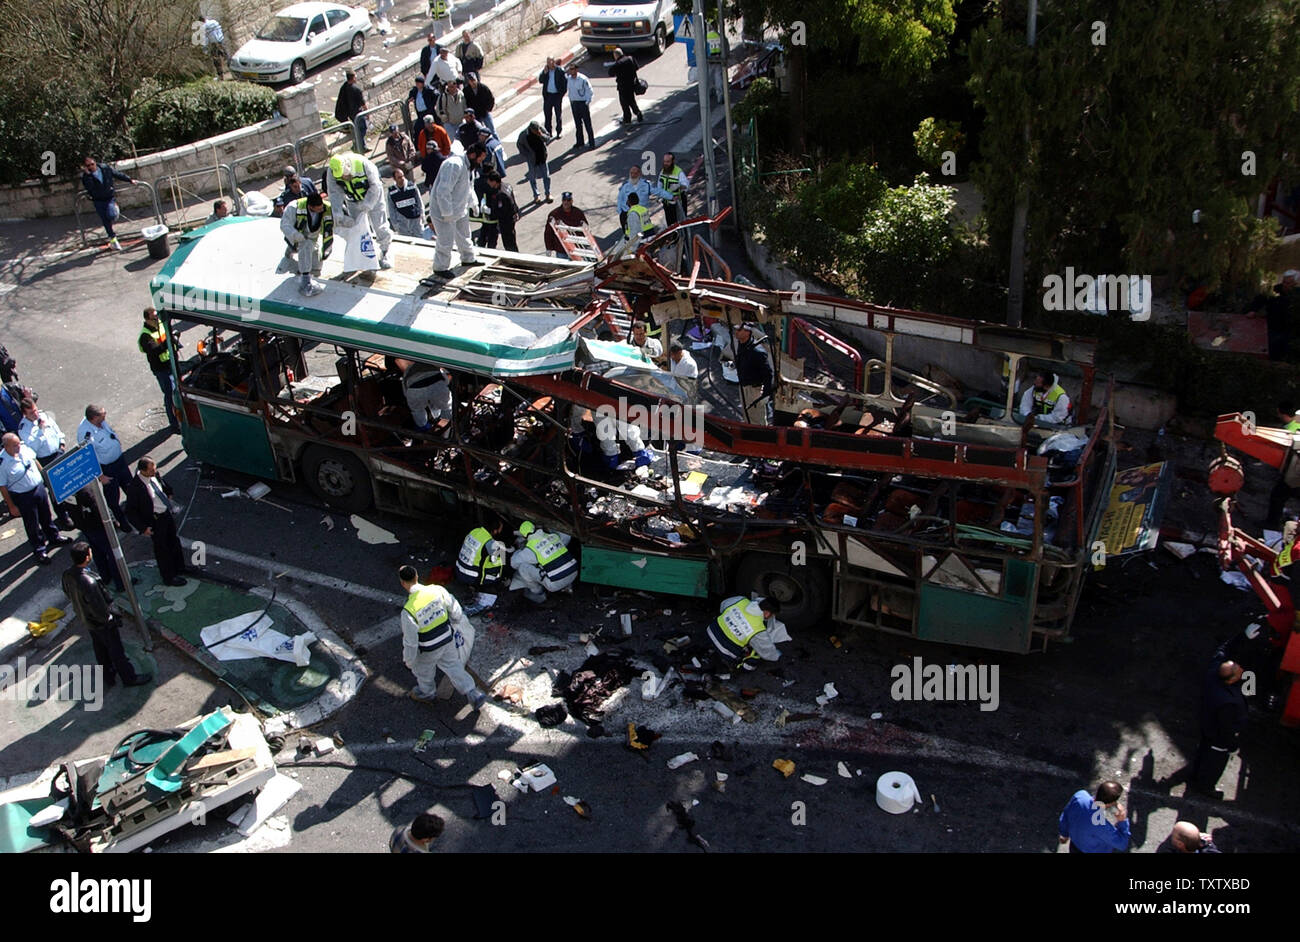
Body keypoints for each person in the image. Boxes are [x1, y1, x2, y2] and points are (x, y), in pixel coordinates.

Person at [62, 542, 151, 687]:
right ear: (86, 557)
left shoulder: (67, 574)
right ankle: (129, 678)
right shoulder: (89, 582)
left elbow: (67, 592)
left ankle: (108, 675)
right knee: (117, 652)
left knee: (100, 650)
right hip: (102, 623)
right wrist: (110, 619)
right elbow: (100, 607)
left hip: (88, 620)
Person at [399, 564, 487, 707]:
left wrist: (409, 661)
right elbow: (455, 610)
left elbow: (411, 642)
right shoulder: (437, 590)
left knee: (423, 672)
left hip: (428, 649)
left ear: (403, 584)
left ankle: (427, 693)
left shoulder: (408, 612)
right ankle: (473, 693)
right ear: (416, 577)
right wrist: (457, 621)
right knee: (454, 666)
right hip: (447, 639)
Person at [1, 432, 71, 564]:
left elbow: (35, 461)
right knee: (32, 523)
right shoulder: (2, 463)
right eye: (15, 445)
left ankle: (54, 537)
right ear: (6, 447)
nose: (18, 447)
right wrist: (11, 506)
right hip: (23, 496)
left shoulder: (24, 448)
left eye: (18, 444)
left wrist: (45, 478)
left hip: (38, 488)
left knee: (46, 515)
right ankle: (39, 549)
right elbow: (3, 486)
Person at [1190, 658, 1249, 798]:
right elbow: (1226, 729)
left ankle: (1195, 777)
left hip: (1207, 727)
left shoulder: (1213, 679)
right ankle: (1206, 787)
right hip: (1218, 740)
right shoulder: (1228, 704)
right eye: (1237, 668)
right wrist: (1233, 746)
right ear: (1231, 679)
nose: (1240, 667)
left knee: (1202, 754)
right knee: (1214, 764)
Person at [124, 456, 187, 587]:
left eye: (154, 468)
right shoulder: (135, 487)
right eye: (151, 470)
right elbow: (131, 511)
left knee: (174, 541)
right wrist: (143, 528)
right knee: (162, 549)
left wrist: (168, 492)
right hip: (155, 520)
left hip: (166, 514)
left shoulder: (154, 475)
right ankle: (169, 577)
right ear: (143, 471)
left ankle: (180, 567)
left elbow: (162, 485)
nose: (154, 471)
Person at [325, 152, 393, 271]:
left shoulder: (364, 164)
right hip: (353, 200)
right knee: (358, 227)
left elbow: (375, 186)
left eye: (345, 175)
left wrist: (367, 204)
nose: (344, 178)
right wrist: (337, 212)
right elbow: (334, 192)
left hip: (373, 196)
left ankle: (385, 250)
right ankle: (363, 255)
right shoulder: (332, 172)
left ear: (348, 166)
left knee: (379, 224)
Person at [430, 142, 488, 278]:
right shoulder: (455, 165)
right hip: (443, 212)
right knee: (446, 240)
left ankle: (468, 258)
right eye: (481, 158)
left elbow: (469, 187)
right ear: (473, 155)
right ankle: (440, 267)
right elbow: (443, 191)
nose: (481, 161)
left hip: (459, 208)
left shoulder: (469, 167)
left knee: (464, 235)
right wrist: (447, 212)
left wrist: (473, 203)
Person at [18, 398, 75, 529]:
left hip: (58, 453)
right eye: (32, 413)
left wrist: (61, 443)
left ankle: (74, 508)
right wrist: (40, 431)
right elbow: (33, 448)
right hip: (44, 460)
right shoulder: (24, 429)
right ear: (25, 414)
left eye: (36, 410)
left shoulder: (44, 416)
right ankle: (63, 516)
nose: (36, 414)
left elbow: (56, 429)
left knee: (69, 482)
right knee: (55, 489)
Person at [76, 404, 132, 531]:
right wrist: (100, 476)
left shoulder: (101, 422)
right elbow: (87, 458)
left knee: (130, 488)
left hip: (120, 462)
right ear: (94, 418)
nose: (105, 415)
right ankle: (122, 522)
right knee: (113, 499)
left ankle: (135, 513)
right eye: (102, 414)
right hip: (108, 469)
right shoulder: (85, 434)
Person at [68, 485, 124, 592]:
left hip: (84, 525)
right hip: (98, 526)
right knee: (113, 553)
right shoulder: (85, 489)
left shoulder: (65, 489)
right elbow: (98, 507)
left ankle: (106, 577)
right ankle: (121, 582)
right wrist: (112, 521)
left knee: (97, 552)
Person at [706, 596, 787, 669]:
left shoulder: (741, 600)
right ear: (767, 613)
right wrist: (777, 655)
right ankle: (744, 667)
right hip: (724, 650)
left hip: (710, 630)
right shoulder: (758, 629)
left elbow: (723, 605)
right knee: (755, 653)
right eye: (772, 615)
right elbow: (766, 652)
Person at [508, 521, 578, 604]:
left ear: (524, 536)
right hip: (574, 573)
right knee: (550, 559)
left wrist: (519, 550)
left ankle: (538, 593)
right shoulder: (553, 536)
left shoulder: (531, 549)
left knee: (523, 568)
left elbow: (514, 563)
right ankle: (567, 587)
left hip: (555, 584)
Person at [281, 190, 333, 297]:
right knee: (305, 248)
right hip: (299, 237)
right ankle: (305, 282)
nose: (320, 211)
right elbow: (285, 225)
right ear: (310, 206)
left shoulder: (326, 208)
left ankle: (295, 250)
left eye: (321, 208)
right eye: (317, 209)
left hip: (313, 238)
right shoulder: (294, 207)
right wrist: (297, 236)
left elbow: (336, 219)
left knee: (316, 268)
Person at [81, 156, 138, 251]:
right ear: (86, 167)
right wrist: (89, 175)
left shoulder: (104, 168)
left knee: (111, 215)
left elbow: (117, 174)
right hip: (98, 200)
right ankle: (113, 239)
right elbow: (90, 188)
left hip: (109, 198)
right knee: (105, 221)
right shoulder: (86, 177)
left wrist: (129, 180)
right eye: (88, 165)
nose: (91, 166)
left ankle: (115, 209)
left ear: (95, 163)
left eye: (92, 164)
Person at [139, 306, 182, 434]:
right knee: (170, 395)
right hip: (162, 370)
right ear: (147, 320)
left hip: (171, 364)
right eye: (154, 318)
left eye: (157, 317)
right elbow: (155, 350)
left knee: (177, 391)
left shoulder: (160, 326)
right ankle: (174, 424)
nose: (157, 319)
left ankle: (180, 417)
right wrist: (168, 342)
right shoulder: (145, 336)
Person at [1057, 782, 1130, 853]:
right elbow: (1122, 844)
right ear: (1111, 803)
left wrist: (1064, 834)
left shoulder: (1080, 796)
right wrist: (1122, 821)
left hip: (1075, 846)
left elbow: (1066, 813)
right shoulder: (1100, 825)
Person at [1245, 269, 1299, 361]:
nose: (1285, 285)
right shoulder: (1275, 291)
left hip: (1291, 328)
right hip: (1272, 326)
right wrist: (1253, 310)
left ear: (1295, 284)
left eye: (1289, 283)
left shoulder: (1297, 296)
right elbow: (1260, 300)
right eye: (1284, 282)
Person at [455, 519, 507, 615]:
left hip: (459, 569)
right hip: (472, 576)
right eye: (500, 529)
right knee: (500, 563)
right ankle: (480, 589)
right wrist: (504, 551)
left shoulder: (475, 531)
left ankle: (471, 587)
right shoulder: (489, 542)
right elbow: (497, 559)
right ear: (495, 531)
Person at [734, 322, 774, 424]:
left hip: (753, 391)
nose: (736, 332)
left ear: (747, 332)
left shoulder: (757, 352)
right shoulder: (742, 345)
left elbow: (768, 373)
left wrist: (765, 394)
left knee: (757, 420)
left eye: (739, 330)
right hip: (744, 387)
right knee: (748, 417)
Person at [616, 165, 668, 232]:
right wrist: (621, 212)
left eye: (635, 173)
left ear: (639, 174)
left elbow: (658, 192)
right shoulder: (625, 185)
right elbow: (620, 199)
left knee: (647, 233)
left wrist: (671, 196)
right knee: (630, 236)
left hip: (641, 215)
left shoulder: (645, 185)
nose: (633, 175)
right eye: (631, 173)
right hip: (626, 215)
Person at [402, 362, 452, 430]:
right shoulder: (430, 362)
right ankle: (449, 427)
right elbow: (446, 379)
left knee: (417, 411)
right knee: (446, 408)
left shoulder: (409, 370)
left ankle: (424, 429)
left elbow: (406, 392)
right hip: (435, 381)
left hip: (414, 387)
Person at [516, 121, 552, 204]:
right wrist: (526, 155)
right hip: (532, 159)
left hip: (542, 156)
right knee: (532, 178)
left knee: (546, 176)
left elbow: (548, 138)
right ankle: (536, 196)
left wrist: (541, 135)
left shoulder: (540, 129)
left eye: (537, 130)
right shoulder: (524, 135)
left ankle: (548, 193)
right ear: (531, 129)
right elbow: (519, 145)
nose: (537, 131)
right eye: (535, 131)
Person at [483, 171, 519, 252]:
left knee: (509, 244)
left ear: (494, 181)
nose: (488, 183)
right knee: (512, 241)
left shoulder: (501, 195)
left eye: (489, 181)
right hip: (511, 218)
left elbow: (501, 211)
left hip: (506, 222)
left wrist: (490, 212)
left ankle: (514, 260)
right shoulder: (507, 186)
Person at [387, 168, 428, 239]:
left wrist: (422, 215)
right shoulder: (391, 192)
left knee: (420, 240)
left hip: (416, 220)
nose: (402, 178)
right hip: (402, 223)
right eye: (399, 177)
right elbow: (391, 209)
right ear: (394, 179)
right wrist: (395, 224)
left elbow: (419, 201)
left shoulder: (412, 186)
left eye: (403, 176)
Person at [607, 47, 643, 124]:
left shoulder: (618, 64)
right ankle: (638, 113)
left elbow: (610, 73)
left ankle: (627, 119)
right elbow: (636, 67)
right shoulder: (630, 58)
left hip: (623, 87)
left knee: (624, 103)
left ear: (616, 55)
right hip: (632, 84)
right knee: (631, 100)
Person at [335, 70, 367, 153]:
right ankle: (357, 145)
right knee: (362, 129)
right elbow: (362, 103)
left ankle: (362, 146)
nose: (356, 78)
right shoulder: (356, 90)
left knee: (358, 130)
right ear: (353, 78)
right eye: (355, 76)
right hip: (358, 113)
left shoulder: (345, 87)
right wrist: (367, 112)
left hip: (351, 113)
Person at [565, 62, 594, 150]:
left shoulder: (583, 79)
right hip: (574, 103)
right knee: (578, 124)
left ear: (576, 69)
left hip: (582, 103)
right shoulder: (569, 79)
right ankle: (580, 142)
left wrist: (587, 102)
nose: (571, 71)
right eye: (570, 69)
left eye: (572, 69)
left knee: (587, 124)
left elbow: (589, 91)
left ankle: (591, 142)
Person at [657, 152, 690, 227]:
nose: (665, 163)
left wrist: (678, 186)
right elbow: (659, 184)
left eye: (668, 162)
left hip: (678, 203)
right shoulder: (662, 171)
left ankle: (683, 237)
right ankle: (673, 237)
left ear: (672, 161)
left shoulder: (678, 172)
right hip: (667, 203)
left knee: (681, 223)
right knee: (670, 225)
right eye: (664, 161)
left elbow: (686, 185)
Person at [418, 116, 452, 187]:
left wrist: (444, 155)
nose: (428, 126)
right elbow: (420, 145)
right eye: (426, 124)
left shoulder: (440, 130)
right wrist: (424, 155)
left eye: (429, 123)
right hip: (429, 157)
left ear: (433, 122)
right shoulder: (422, 133)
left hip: (440, 156)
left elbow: (447, 144)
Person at [538, 57, 567, 137]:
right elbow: (541, 80)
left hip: (557, 96)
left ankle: (559, 131)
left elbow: (565, 84)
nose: (549, 64)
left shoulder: (560, 71)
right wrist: (544, 73)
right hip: (548, 96)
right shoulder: (546, 71)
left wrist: (561, 95)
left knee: (558, 114)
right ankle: (548, 132)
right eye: (547, 62)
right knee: (547, 115)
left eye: (550, 62)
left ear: (554, 62)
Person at [462, 72, 496, 136]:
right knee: (480, 133)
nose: (473, 82)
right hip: (475, 115)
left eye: (474, 80)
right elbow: (465, 103)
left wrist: (488, 109)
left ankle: (497, 144)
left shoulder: (483, 88)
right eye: (471, 81)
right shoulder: (466, 91)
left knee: (492, 131)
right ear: (468, 82)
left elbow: (491, 98)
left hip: (485, 113)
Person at [202, 15, 228, 79]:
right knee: (226, 56)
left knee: (216, 61)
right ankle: (234, 70)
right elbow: (220, 31)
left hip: (213, 44)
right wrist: (221, 39)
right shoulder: (214, 22)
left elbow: (206, 39)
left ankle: (221, 76)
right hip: (220, 42)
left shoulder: (204, 27)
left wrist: (205, 49)